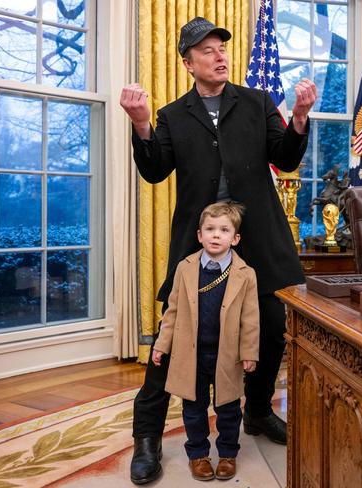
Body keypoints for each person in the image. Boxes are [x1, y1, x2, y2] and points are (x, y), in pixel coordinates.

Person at [120, 16, 317, 485]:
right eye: (207, 51)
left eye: (222, 48)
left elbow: (285, 157)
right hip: (200, 240)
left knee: (271, 328)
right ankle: (146, 437)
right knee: (172, 340)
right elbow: (154, 171)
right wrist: (142, 124)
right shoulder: (172, 115)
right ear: (189, 63)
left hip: (260, 240)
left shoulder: (256, 102)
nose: (220, 55)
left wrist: (301, 119)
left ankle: (258, 412)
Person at [151, 202, 259, 481]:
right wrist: (162, 345)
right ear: (199, 235)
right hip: (192, 355)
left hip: (227, 355)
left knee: (229, 408)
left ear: (235, 238)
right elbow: (172, 311)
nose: (215, 235)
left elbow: (250, 319)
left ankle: (227, 454)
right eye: (210, 229)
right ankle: (198, 455)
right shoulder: (185, 269)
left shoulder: (246, 274)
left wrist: (250, 353)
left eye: (224, 230)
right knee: (194, 408)